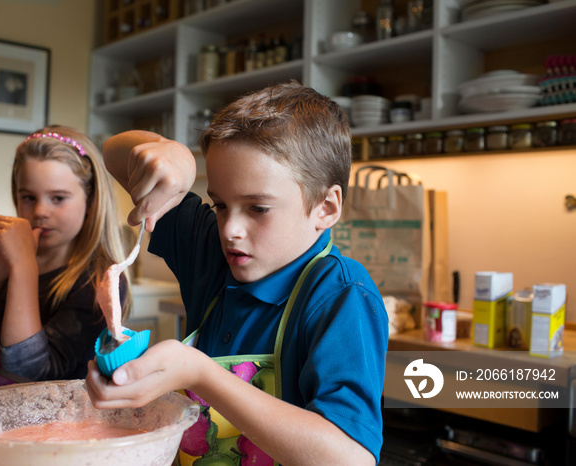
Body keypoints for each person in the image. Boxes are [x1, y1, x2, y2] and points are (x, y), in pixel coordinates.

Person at [85, 82, 388, 465]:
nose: (230, 229)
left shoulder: (340, 295)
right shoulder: (212, 253)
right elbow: (114, 152)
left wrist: (201, 375)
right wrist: (175, 154)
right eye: (220, 205)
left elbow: (350, 459)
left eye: (258, 208)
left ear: (325, 207)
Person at [0, 126, 130, 381]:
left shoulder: (99, 282)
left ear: (91, 200)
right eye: (29, 197)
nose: (40, 211)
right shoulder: (8, 262)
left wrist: (22, 267)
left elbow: (30, 377)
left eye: (58, 198)